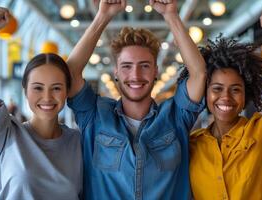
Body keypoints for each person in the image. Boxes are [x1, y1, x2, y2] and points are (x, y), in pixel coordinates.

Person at [66, 0, 206, 199]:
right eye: (126, 66)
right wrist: (102, 16)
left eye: (145, 66)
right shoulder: (95, 116)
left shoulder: (176, 117)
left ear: (156, 70)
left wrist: (171, 16)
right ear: (116, 71)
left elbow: (199, 74)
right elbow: (70, 73)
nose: (136, 75)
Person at [183, 9, 262, 199]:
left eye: (235, 89)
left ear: (246, 96)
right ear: (205, 93)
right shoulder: (193, 144)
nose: (225, 97)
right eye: (217, 89)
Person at [0, 6, 82, 199]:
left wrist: (102, 17)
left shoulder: (78, 142)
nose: (47, 97)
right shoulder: (8, 134)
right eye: (38, 88)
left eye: (56, 88)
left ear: (66, 92)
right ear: (25, 92)